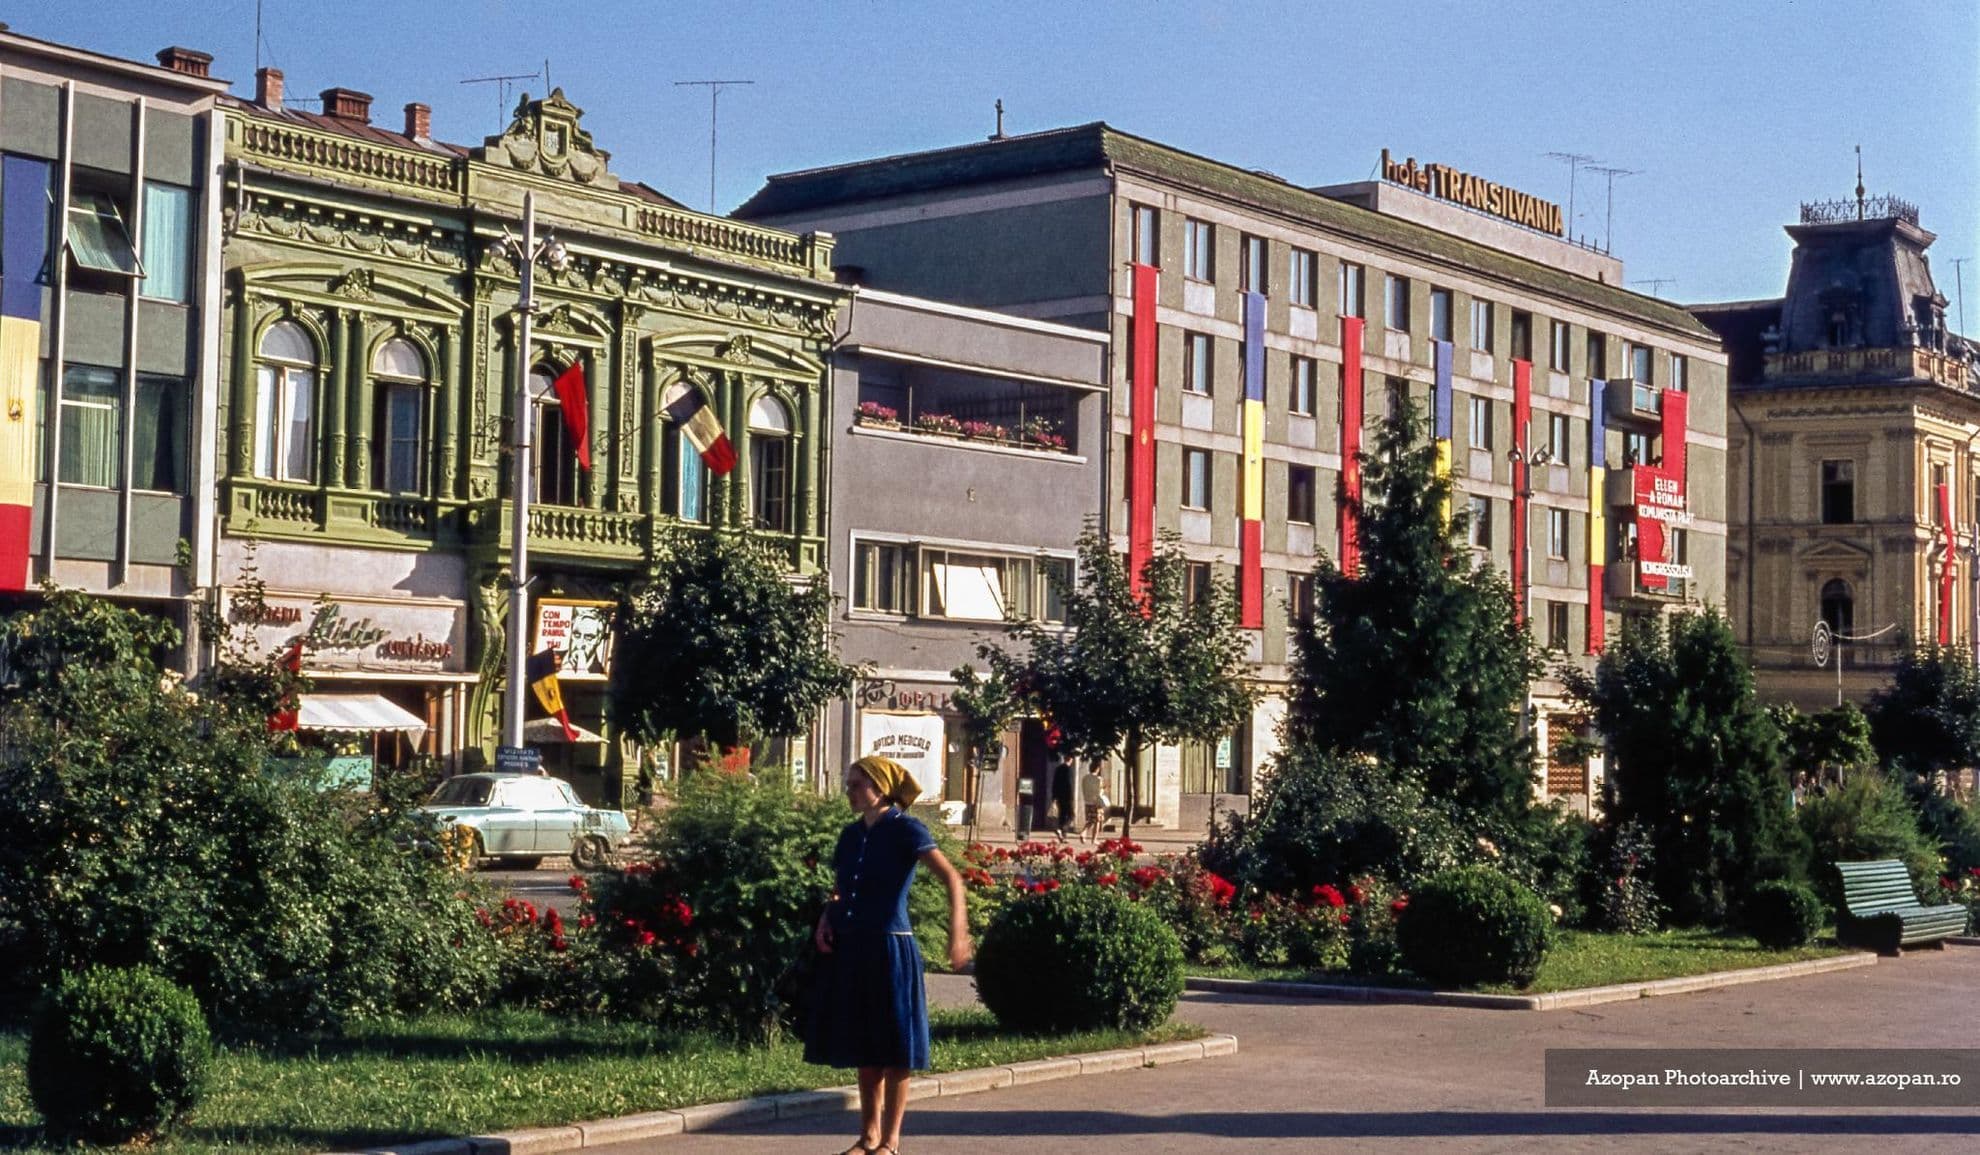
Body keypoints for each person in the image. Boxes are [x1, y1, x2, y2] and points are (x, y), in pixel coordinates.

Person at [809, 755, 970, 1155]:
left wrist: (959, 933)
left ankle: (891, 1142)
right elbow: (841, 886)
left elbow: (951, 876)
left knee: (895, 1047)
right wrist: (826, 918)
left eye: (855, 785)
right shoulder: (850, 835)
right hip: (854, 946)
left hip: (891, 946)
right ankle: (868, 1138)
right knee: (866, 1047)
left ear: (878, 788)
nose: (849, 791)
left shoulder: (906, 830)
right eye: (848, 784)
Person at [1079, 759, 1107, 843]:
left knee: (1090, 820)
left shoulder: (1085, 778)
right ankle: (1094, 839)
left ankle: (1083, 832)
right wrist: (1103, 789)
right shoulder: (1099, 779)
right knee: (1097, 821)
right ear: (1097, 768)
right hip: (1096, 802)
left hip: (1087, 801)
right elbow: (1099, 791)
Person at [1051, 754, 1076, 842]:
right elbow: (1069, 784)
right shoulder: (1068, 769)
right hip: (1067, 796)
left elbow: (1054, 783)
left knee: (1062, 815)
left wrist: (1054, 796)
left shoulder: (1058, 769)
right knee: (1071, 815)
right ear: (1070, 759)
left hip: (1059, 796)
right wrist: (1071, 796)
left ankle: (1062, 836)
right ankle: (1062, 829)